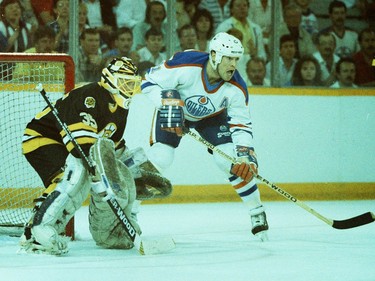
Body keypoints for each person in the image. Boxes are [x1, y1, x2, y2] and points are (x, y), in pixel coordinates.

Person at [19, 57, 168, 255]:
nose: (129, 88)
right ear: (109, 80)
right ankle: (36, 230)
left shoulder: (121, 107)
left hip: (70, 144)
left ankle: (117, 231)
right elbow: (80, 147)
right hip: (43, 138)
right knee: (75, 174)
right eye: (124, 82)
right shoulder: (90, 96)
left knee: (125, 170)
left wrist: (134, 171)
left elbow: (112, 147)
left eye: (132, 83)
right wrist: (98, 172)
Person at [141, 32, 269, 241]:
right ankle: (131, 212)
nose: (233, 64)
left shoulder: (237, 88)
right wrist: (167, 106)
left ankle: (257, 212)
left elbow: (241, 123)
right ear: (214, 55)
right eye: (229, 58)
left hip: (212, 118)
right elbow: (148, 81)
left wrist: (245, 154)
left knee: (230, 160)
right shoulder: (186, 63)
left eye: (236, 59)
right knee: (161, 158)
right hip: (175, 109)